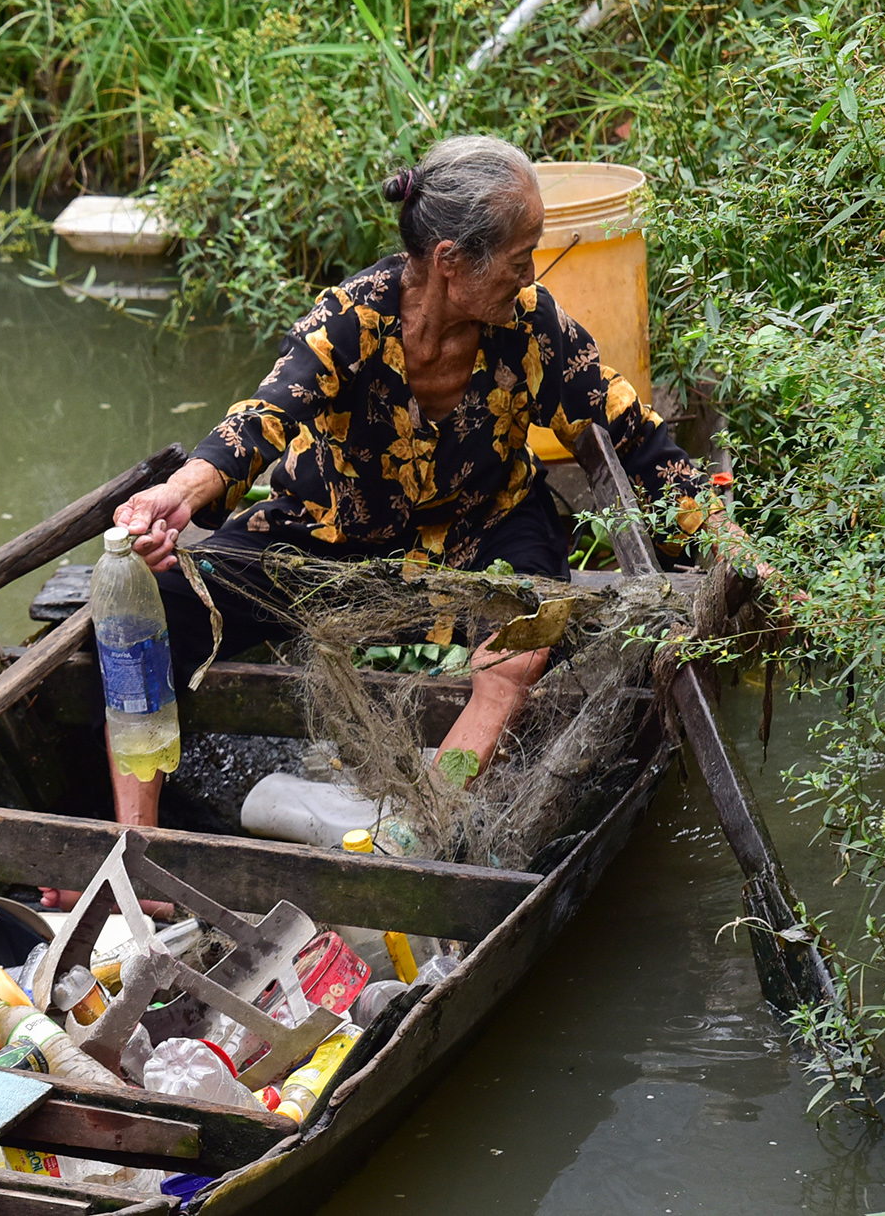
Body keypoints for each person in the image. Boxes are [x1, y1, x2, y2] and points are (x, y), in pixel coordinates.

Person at [45, 134, 733, 905]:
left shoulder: (532, 327)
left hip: (488, 524)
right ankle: (140, 856)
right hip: (334, 532)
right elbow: (262, 419)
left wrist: (729, 545)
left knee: (519, 646)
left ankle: (418, 833)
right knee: (148, 611)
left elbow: (641, 442)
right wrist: (181, 491)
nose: (529, 274)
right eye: (517, 255)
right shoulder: (347, 322)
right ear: (450, 260)